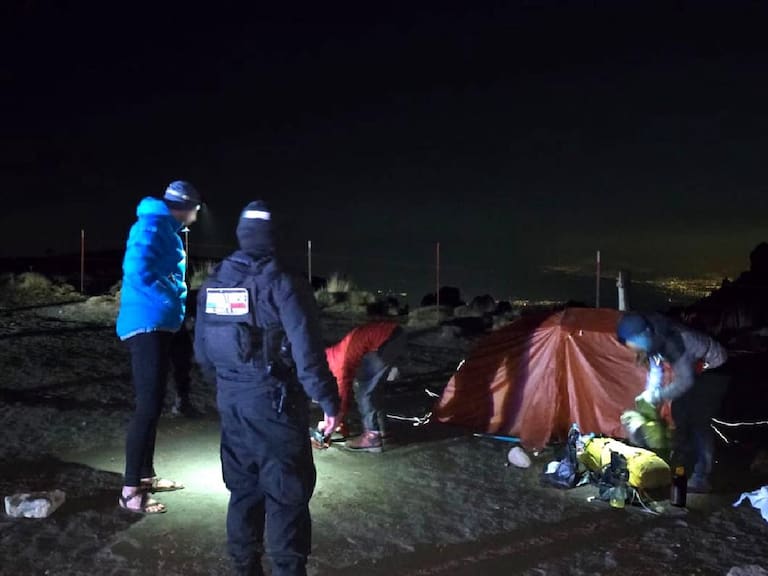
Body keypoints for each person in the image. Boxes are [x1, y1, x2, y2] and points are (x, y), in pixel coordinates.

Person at [194, 201, 339, 576]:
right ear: (274, 238)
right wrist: (328, 401)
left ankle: (244, 568)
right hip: (274, 405)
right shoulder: (284, 283)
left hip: (232, 404)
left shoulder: (212, 285)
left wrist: (231, 387)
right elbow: (307, 352)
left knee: (243, 490)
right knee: (287, 494)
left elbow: (202, 354)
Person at [115, 180, 201, 514]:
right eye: (196, 208)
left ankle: (145, 476)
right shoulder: (151, 226)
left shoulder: (165, 228)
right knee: (147, 405)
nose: (196, 214)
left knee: (155, 401)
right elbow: (136, 269)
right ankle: (129, 490)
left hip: (161, 322)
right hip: (147, 322)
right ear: (186, 206)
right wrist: (167, 295)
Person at [616, 312, 729, 493]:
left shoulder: (673, 341)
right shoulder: (654, 337)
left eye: (633, 346)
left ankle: (701, 477)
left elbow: (685, 381)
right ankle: (680, 466)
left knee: (698, 420)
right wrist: (649, 392)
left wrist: (657, 396)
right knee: (679, 411)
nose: (633, 351)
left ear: (641, 336)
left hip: (716, 368)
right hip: (697, 369)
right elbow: (656, 370)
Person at [321, 321, 406, 453]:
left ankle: (372, 437)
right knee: (372, 387)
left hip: (387, 340)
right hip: (393, 334)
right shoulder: (334, 353)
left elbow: (342, 393)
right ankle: (383, 430)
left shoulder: (338, 364)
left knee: (363, 390)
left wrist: (332, 423)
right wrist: (340, 420)